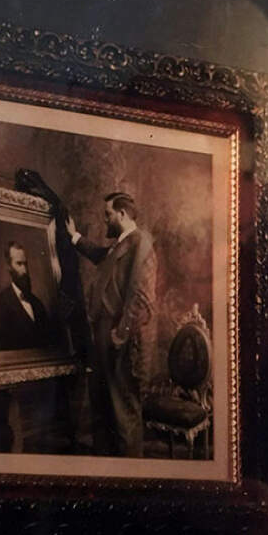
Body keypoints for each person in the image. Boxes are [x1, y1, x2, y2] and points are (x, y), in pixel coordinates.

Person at [66, 192, 157, 457]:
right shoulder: (122, 243)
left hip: (122, 339)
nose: (104, 219)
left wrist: (120, 334)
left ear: (122, 215)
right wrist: (74, 236)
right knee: (104, 407)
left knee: (123, 410)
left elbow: (142, 300)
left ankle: (130, 479)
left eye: (108, 214)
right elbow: (99, 254)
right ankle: (106, 474)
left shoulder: (141, 244)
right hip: (105, 335)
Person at [0, 241, 51, 351]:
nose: (25, 270)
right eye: (19, 264)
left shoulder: (38, 304)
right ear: (9, 267)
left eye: (25, 264)